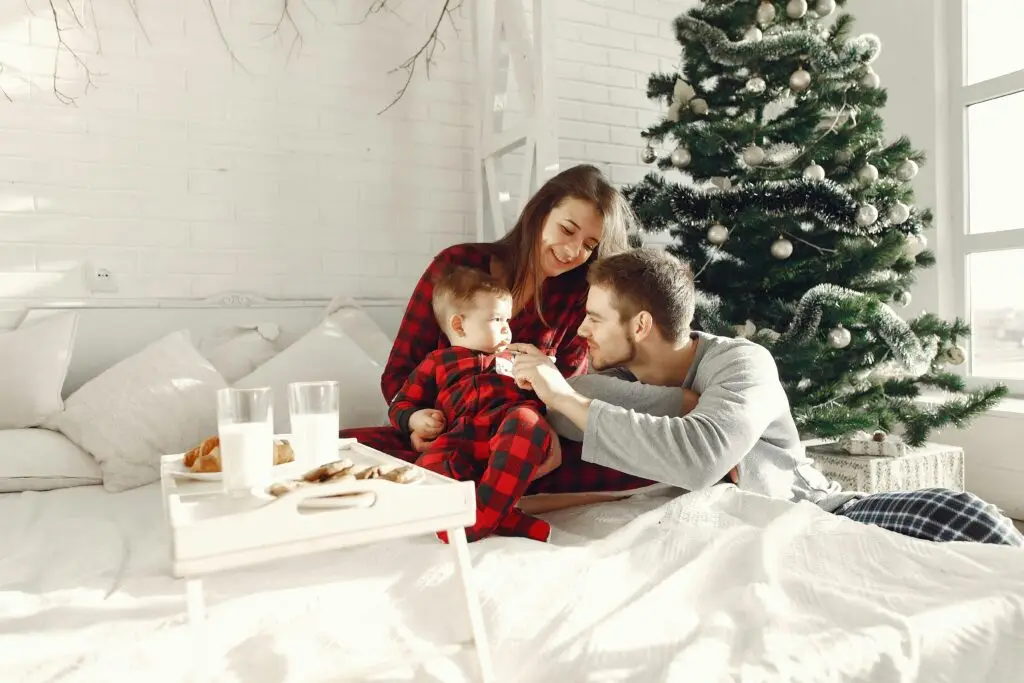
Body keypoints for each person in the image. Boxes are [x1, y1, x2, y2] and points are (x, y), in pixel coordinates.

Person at [510, 247, 1024, 547]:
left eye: (595, 317)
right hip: (723, 530)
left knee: (965, 515)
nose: (581, 329)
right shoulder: (614, 381)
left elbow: (700, 454)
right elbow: (551, 407)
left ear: (641, 324)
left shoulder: (743, 362)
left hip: (813, 510)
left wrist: (564, 397)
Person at [340, 164, 664, 531]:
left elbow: (566, 392)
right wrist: (418, 426)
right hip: (442, 435)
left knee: (618, 460)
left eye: (589, 245)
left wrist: (546, 428)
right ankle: (486, 495)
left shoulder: (575, 300)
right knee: (336, 449)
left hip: (518, 438)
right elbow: (399, 376)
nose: (573, 250)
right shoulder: (457, 267)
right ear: (540, 213)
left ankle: (477, 505)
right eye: (567, 229)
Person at [388, 264, 560, 542]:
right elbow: (400, 404)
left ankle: (474, 523)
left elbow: (548, 398)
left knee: (527, 421)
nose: (507, 330)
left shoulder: (513, 358)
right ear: (458, 324)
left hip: (507, 435)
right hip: (458, 439)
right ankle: (498, 520)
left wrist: (540, 378)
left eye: (507, 320)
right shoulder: (437, 361)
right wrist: (415, 418)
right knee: (426, 470)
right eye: (497, 320)